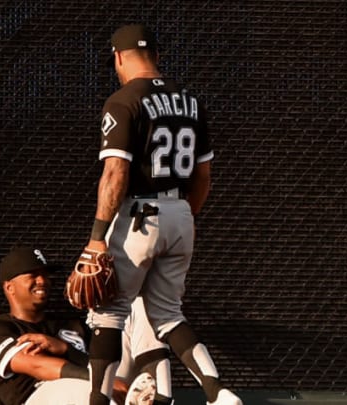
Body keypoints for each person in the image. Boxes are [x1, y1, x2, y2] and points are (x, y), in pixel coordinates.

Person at [81, 23, 242, 405]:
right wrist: (184, 218)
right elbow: (203, 176)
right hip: (180, 213)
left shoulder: (123, 100)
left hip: (140, 213)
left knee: (108, 313)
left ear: (119, 58)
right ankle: (218, 392)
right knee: (168, 315)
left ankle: (98, 402)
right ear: (155, 55)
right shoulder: (191, 102)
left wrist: (96, 238)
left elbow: (116, 174)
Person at [0, 244, 150, 405]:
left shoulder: (72, 324)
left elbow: (99, 360)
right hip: (40, 397)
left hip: (96, 387)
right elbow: (38, 365)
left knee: (135, 307)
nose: (42, 281)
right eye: (33, 275)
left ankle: (154, 391)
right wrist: (104, 382)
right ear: (9, 287)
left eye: (45, 275)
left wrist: (66, 348)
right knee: (75, 388)